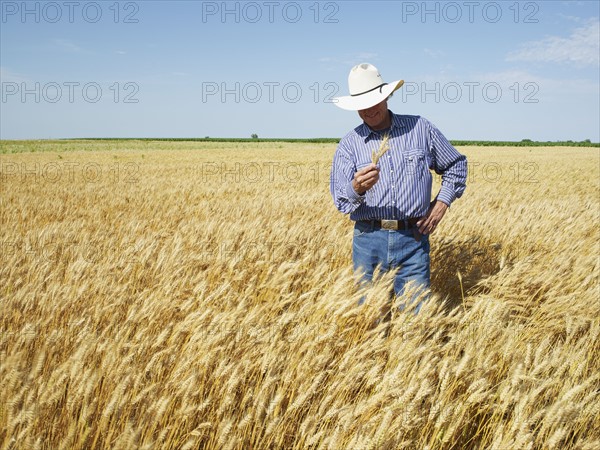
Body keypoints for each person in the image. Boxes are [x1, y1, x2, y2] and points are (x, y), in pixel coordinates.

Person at [329, 63, 467, 313]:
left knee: (416, 320)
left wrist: (440, 205)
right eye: (362, 104)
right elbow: (341, 200)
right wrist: (356, 188)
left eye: (374, 100)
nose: (369, 109)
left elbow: (456, 166)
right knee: (369, 320)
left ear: (387, 96)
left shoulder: (420, 128)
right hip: (368, 242)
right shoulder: (349, 144)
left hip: (412, 240)